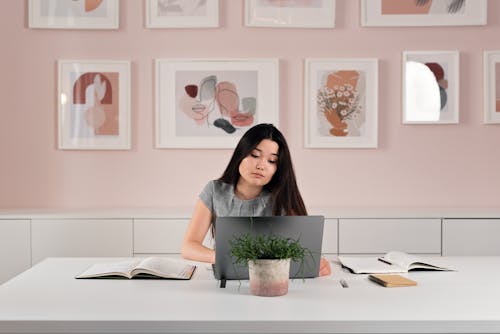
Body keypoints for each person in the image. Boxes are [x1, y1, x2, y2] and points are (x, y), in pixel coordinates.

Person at [181, 123, 331, 276]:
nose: (261, 166)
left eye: (272, 161)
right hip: (228, 278)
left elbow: (303, 252)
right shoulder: (215, 190)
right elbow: (189, 246)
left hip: (273, 279)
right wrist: (225, 258)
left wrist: (318, 263)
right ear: (241, 154)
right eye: (254, 155)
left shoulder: (282, 197)